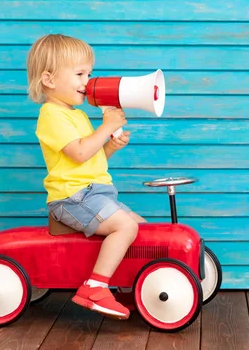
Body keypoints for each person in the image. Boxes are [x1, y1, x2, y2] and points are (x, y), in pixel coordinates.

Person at [26, 34, 145, 319]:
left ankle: (128, 286)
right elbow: (79, 154)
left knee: (141, 228)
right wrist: (107, 127)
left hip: (92, 192)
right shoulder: (52, 115)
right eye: (79, 73)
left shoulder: (77, 115)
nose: (87, 81)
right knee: (125, 228)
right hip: (72, 197)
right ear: (49, 79)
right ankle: (95, 287)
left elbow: (91, 157)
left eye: (89, 73)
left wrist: (110, 145)